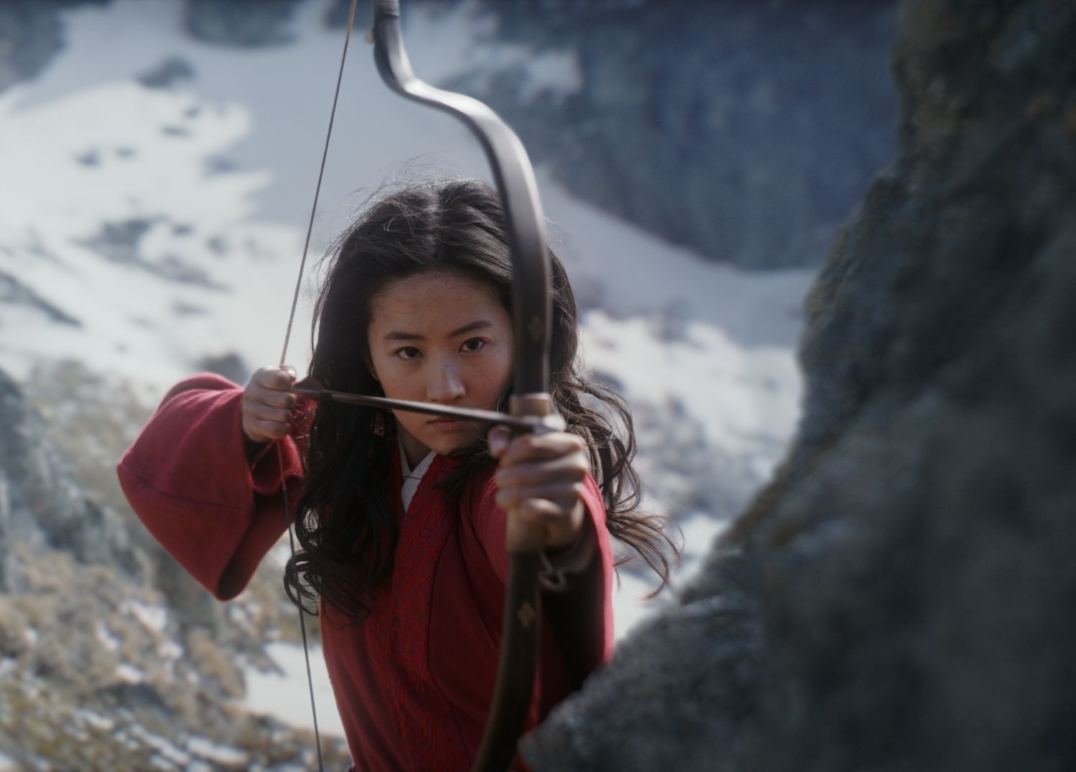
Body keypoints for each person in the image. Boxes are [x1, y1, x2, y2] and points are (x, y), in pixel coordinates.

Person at [117, 179, 676, 770]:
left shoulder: (513, 477)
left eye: (473, 344)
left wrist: (554, 512)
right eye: (408, 352)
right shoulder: (348, 443)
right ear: (368, 356)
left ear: (525, 340)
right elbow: (168, 459)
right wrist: (244, 422)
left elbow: (540, 527)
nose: (444, 387)